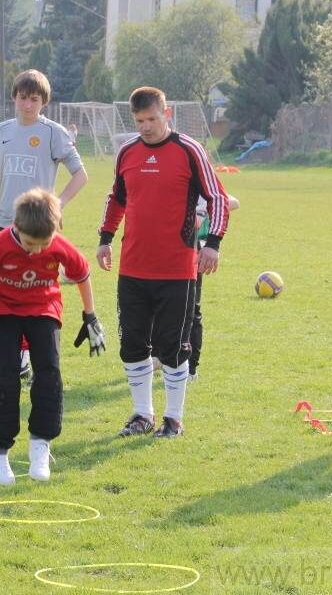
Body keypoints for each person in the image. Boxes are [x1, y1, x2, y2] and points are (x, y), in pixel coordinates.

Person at [0, 187, 105, 485]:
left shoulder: (58, 244)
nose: (37, 251)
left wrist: (90, 316)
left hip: (43, 307)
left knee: (49, 371)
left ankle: (41, 444)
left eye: (43, 244)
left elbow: (82, 276)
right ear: (16, 228)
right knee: (6, 374)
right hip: (0, 309)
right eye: (31, 244)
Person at [97, 86, 230, 439]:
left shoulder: (189, 151)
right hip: (133, 268)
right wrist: (105, 239)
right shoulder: (127, 152)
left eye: (152, 119)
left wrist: (212, 243)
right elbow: (116, 199)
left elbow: (217, 197)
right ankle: (142, 415)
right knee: (133, 345)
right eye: (140, 121)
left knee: (173, 346)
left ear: (166, 114)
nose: (146, 127)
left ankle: (174, 418)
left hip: (177, 270)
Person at [0, 69, 88, 382]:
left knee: (33, 294)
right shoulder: (2, 130)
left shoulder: (54, 132)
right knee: (2, 295)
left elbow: (80, 175)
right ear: (13, 97)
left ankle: (30, 358)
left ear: (43, 101)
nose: (27, 104)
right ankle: (12, 360)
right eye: (22, 97)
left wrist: (56, 205)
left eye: (34, 99)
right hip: (5, 226)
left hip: (38, 231)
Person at [151, 194, 241, 379]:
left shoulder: (202, 186)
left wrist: (200, 209)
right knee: (155, 304)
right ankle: (156, 356)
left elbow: (232, 202)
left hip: (191, 250)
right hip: (161, 247)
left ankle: (190, 367)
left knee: (190, 310)